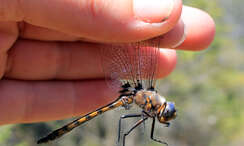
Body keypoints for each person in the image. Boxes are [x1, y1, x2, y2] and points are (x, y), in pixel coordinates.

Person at [0, 0, 215, 125]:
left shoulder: (151, 101)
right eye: (164, 113)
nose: (164, 116)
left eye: (165, 114)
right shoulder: (151, 99)